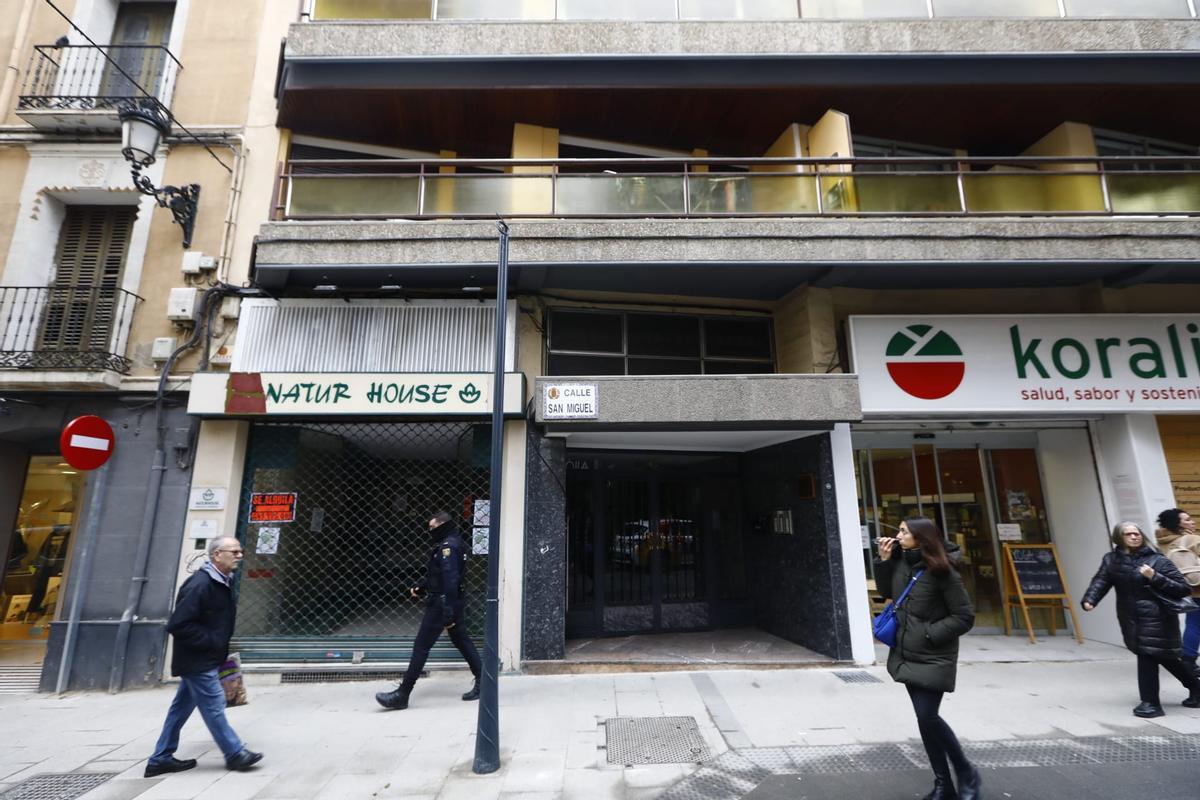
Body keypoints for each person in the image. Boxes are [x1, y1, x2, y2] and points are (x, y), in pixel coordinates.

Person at [875, 517, 979, 800]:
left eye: (903, 531)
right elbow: (887, 594)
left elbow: (964, 617)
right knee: (925, 721)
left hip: (933, 655)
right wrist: (884, 560)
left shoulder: (943, 571)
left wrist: (929, 634)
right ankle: (943, 784)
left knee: (928, 716)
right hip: (907, 653)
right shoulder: (901, 562)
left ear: (921, 539)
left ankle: (966, 772)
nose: (898, 535)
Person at [145, 537, 263, 777]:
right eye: (234, 551)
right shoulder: (201, 584)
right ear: (217, 554)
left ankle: (160, 758)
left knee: (180, 709)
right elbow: (178, 624)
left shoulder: (221, 582)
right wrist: (213, 642)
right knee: (214, 705)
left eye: (241, 551)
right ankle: (235, 753)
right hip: (198, 660)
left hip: (203, 657)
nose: (240, 555)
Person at [1081, 521, 1200, 718]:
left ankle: (1151, 703)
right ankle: (1196, 688)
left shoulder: (1157, 560)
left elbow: (1182, 588)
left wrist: (1154, 576)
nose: (1134, 537)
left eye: (1136, 533)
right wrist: (1090, 599)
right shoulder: (1112, 560)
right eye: (1128, 534)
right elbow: (1101, 580)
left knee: (1147, 656)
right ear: (1120, 538)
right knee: (1165, 657)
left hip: (1158, 617)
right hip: (1130, 617)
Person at [376, 512, 481, 710]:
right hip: (450, 601)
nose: (430, 532)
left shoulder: (448, 547)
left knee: (421, 646)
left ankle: (403, 694)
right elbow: (442, 576)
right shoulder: (455, 542)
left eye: (433, 528)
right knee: (462, 640)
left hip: (442, 604)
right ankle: (484, 681)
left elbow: (450, 580)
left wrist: (447, 610)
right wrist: (422, 586)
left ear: (443, 525)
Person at [1154, 508, 1200, 675]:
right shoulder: (1192, 539)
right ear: (1177, 524)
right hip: (1199, 586)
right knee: (1195, 624)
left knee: (1193, 623)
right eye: (1187, 520)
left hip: (1186, 588)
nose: (1192, 522)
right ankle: (1188, 659)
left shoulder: (1163, 542)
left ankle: (1188, 659)